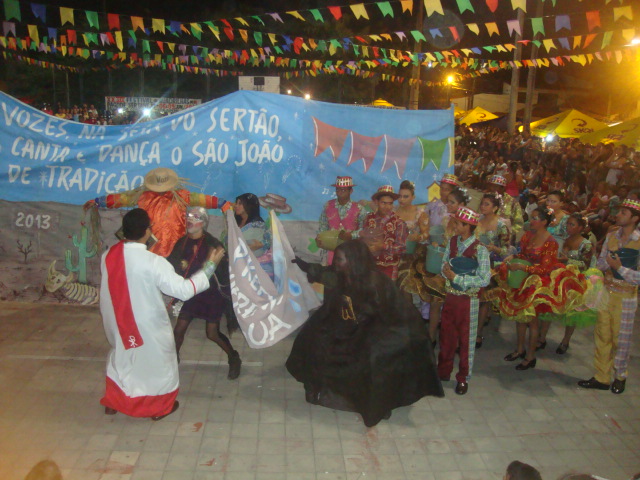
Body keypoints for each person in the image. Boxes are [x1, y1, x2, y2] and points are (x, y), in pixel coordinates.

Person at [286, 240, 444, 427]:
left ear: (353, 261)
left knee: (372, 356)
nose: (336, 263)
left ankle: (376, 403)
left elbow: (392, 312)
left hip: (373, 329)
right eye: (336, 259)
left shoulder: (376, 282)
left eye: (340, 259)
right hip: (344, 326)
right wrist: (302, 264)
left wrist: (367, 320)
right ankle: (324, 390)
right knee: (315, 340)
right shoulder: (338, 276)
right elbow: (321, 273)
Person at [99, 208, 224, 420]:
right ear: (147, 231)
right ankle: (159, 407)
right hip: (146, 326)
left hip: (118, 321)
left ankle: (115, 401)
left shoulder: (108, 256)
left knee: (123, 358)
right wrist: (210, 266)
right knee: (159, 364)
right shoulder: (153, 262)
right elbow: (184, 290)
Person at [497, 206, 587, 371]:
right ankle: (519, 349)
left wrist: (524, 267)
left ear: (545, 222)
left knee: (533, 322)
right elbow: (523, 254)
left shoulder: (551, 242)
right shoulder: (528, 235)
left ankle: (530, 357)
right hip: (522, 279)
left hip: (537, 284)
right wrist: (514, 256)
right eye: (531, 217)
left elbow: (545, 269)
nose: (531, 221)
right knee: (520, 317)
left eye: (535, 218)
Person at [84, 167, 230, 256]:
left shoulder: (180, 196)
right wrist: (98, 201)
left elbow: (202, 199)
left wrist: (221, 203)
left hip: (176, 248)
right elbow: (121, 199)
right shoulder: (143, 196)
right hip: (150, 249)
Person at [167, 207, 241, 379]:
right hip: (192, 291)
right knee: (179, 329)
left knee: (212, 333)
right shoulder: (182, 242)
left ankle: (233, 357)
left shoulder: (212, 243)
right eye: (188, 216)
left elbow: (221, 268)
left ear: (204, 222)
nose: (190, 220)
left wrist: (203, 263)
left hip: (211, 294)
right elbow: (172, 263)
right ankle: (172, 361)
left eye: (196, 217)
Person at [578, 198, 640, 395]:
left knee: (621, 339)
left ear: (635, 218)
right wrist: (605, 263)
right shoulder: (612, 235)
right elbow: (601, 263)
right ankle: (602, 377)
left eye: (623, 213)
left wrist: (619, 268)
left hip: (626, 296)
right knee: (602, 335)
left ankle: (620, 376)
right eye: (619, 211)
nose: (618, 215)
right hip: (607, 291)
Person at [439, 206, 491, 395]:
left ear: (468, 226)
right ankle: (443, 371)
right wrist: (445, 271)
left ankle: (463, 378)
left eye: (458, 223)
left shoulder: (480, 249)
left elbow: (484, 279)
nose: (455, 226)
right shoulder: (453, 242)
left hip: (469, 301)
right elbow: (443, 264)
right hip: (451, 297)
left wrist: (458, 278)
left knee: (466, 340)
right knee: (446, 336)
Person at [475, 192, 512, 348]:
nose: (483, 206)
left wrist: (493, 248)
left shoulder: (501, 225)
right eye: (482, 203)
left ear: (495, 208)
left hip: (490, 266)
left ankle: (478, 333)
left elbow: (506, 249)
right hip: (474, 262)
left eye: (487, 204)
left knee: (484, 300)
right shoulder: (477, 220)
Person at [358, 185, 408, 280]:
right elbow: (361, 239)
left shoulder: (399, 223)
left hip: (389, 268)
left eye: (390, 203)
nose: (387, 207)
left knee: (386, 289)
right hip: (369, 266)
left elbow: (401, 248)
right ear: (376, 202)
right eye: (383, 203)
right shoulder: (368, 218)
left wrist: (382, 246)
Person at [316, 176, 367, 264]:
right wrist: (320, 238)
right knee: (331, 271)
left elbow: (364, 230)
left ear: (351, 191)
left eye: (343, 190)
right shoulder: (328, 206)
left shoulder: (359, 209)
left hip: (351, 252)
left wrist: (351, 235)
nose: (340, 192)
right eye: (338, 190)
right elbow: (323, 226)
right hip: (331, 251)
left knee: (350, 271)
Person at [229, 193, 274, 279]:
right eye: (236, 203)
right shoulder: (235, 223)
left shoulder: (258, 224)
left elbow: (267, 242)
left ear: (249, 205)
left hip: (257, 268)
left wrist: (260, 245)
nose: (236, 206)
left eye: (240, 203)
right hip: (239, 264)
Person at [487, 174, 524, 241]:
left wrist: (508, 232)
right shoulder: (486, 199)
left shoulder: (512, 203)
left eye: (495, 187)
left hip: (502, 239)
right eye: (491, 186)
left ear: (503, 188)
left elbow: (518, 222)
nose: (492, 189)